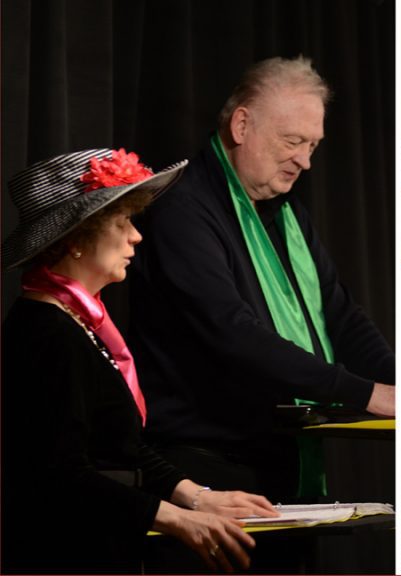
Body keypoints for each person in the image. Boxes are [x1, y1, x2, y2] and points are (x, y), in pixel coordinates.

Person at [128, 57, 395, 502]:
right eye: (293, 141)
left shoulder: (289, 214)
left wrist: (394, 384)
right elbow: (232, 331)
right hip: (203, 467)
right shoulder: (183, 208)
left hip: (279, 456)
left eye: (313, 145)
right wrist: (363, 392)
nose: (305, 161)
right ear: (241, 125)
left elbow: (341, 316)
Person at [1, 148, 279, 573]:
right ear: (76, 240)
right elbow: (59, 472)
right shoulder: (45, 333)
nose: (137, 236)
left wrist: (198, 497)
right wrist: (177, 519)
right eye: (121, 222)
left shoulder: (72, 323)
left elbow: (119, 447)